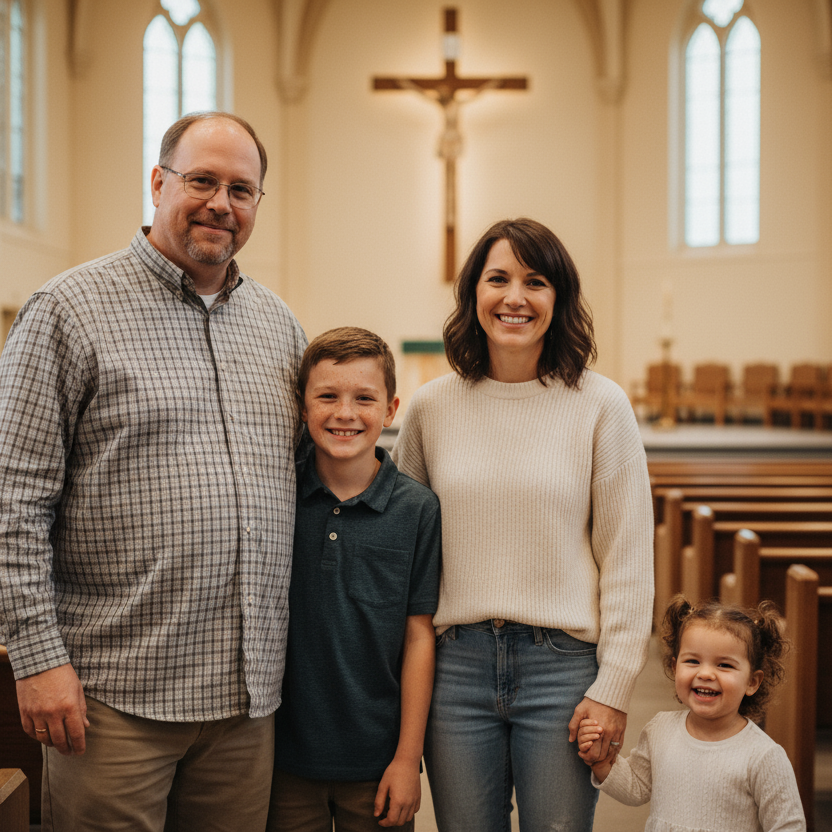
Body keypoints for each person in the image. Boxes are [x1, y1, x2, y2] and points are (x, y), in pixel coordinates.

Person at [0, 112, 307, 832]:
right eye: (201, 180)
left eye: (242, 189)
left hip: (245, 701)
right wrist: (38, 661)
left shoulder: (279, 326)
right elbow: (13, 501)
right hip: (112, 698)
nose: (220, 204)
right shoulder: (68, 310)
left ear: (259, 204)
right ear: (158, 181)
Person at [391, 217, 654, 832]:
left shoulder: (600, 404)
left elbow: (628, 558)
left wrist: (613, 687)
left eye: (535, 281)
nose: (515, 297)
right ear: (472, 295)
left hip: (561, 669)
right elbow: (403, 551)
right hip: (455, 669)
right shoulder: (432, 407)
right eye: (498, 278)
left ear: (558, 298)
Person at [268, 327, 441, 831]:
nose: (345, 413)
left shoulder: (416, 510)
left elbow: (419, 636)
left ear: (390, 410)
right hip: (283, 758)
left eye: (364, 398)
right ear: (302, 406)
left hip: (377, 761)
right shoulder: (279, 495)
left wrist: (408, 759)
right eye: (327, 396)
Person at [577, 596, 805, 831]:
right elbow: (637, 787)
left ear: (752, 682)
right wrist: (603, 762)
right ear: (675, 668)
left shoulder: (763, 756)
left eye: (724, 665)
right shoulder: (660, 729)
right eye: (693, 661)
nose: (705, 673)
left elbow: (788, 825)